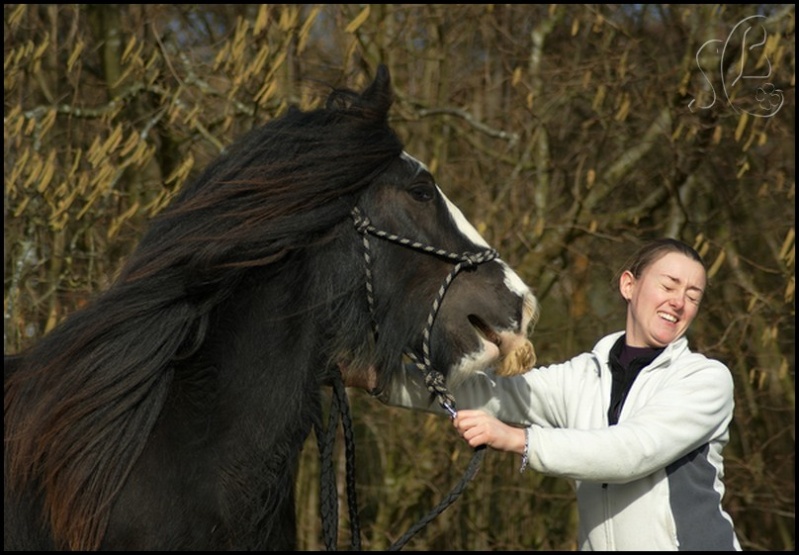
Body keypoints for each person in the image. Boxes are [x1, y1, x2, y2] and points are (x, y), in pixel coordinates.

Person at [385, 238, 741, 551]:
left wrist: (518, 439)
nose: (679, 302)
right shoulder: (581, 376)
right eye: (669, 286)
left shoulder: (705, 379)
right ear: (629, 285)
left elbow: (633, 451)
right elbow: (488, 391)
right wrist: (378, 377)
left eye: (692, 295)